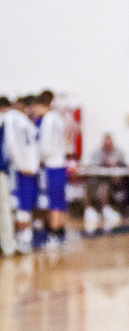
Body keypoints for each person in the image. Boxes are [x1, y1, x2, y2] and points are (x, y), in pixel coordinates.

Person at [3, 96, 40, 253]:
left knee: (20, 206)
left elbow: (14, 143)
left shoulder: (14, 119)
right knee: (22, 206)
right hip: (26, 167)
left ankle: (22, 238)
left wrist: (21, 163)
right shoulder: (20, 120)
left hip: (22, 168)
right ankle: (22, 238)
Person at [35, 89, 68, 246]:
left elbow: (45, 147)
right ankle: (61, 230)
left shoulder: (47, 120)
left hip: (51, 164)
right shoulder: (58, 118)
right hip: (61, 162)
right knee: (61, 200)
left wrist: (38, 159)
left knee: (53, 201)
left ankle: (53, 234)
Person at [84, 133, 129, 233]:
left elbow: (123, 165)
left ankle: (107, 208)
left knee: (109, 184)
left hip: (114, 180)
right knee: (91, 184)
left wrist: (116, 163)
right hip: (98, 178)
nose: (108, 145)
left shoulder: (118, 152)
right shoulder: (97, 152)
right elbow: (93, 165)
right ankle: (91, 208)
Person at [0, 97, 18, 256]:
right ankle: (8, 245)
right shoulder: (6, 120)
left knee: (4, 209)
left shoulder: (6, 121)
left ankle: (8, 245)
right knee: (4, 209)